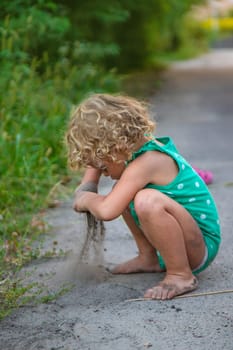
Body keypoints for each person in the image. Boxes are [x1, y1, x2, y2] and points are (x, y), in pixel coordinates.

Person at [66, 93, 221, 300]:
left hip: (199, 246)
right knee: (126, 190)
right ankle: (148, 258)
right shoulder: (131, 151)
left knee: (146, 200)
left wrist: (85, 199)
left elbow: (107, 210)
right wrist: (88, 184)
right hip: (186, 240)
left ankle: (180, 274)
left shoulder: (149, 161)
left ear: (117, 147)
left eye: (103, 165)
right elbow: (97, 164)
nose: (102, 172)